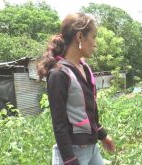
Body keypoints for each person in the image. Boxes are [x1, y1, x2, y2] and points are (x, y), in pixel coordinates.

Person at [37, 13, 115, 165]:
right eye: (93, 37)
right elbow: (59, 124)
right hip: (72, 153)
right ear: (80, 37)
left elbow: (88, 111)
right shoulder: (59, 74)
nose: (95, 43)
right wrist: (69, 159)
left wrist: (103, 135)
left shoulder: (84, 68)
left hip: (91, 149)